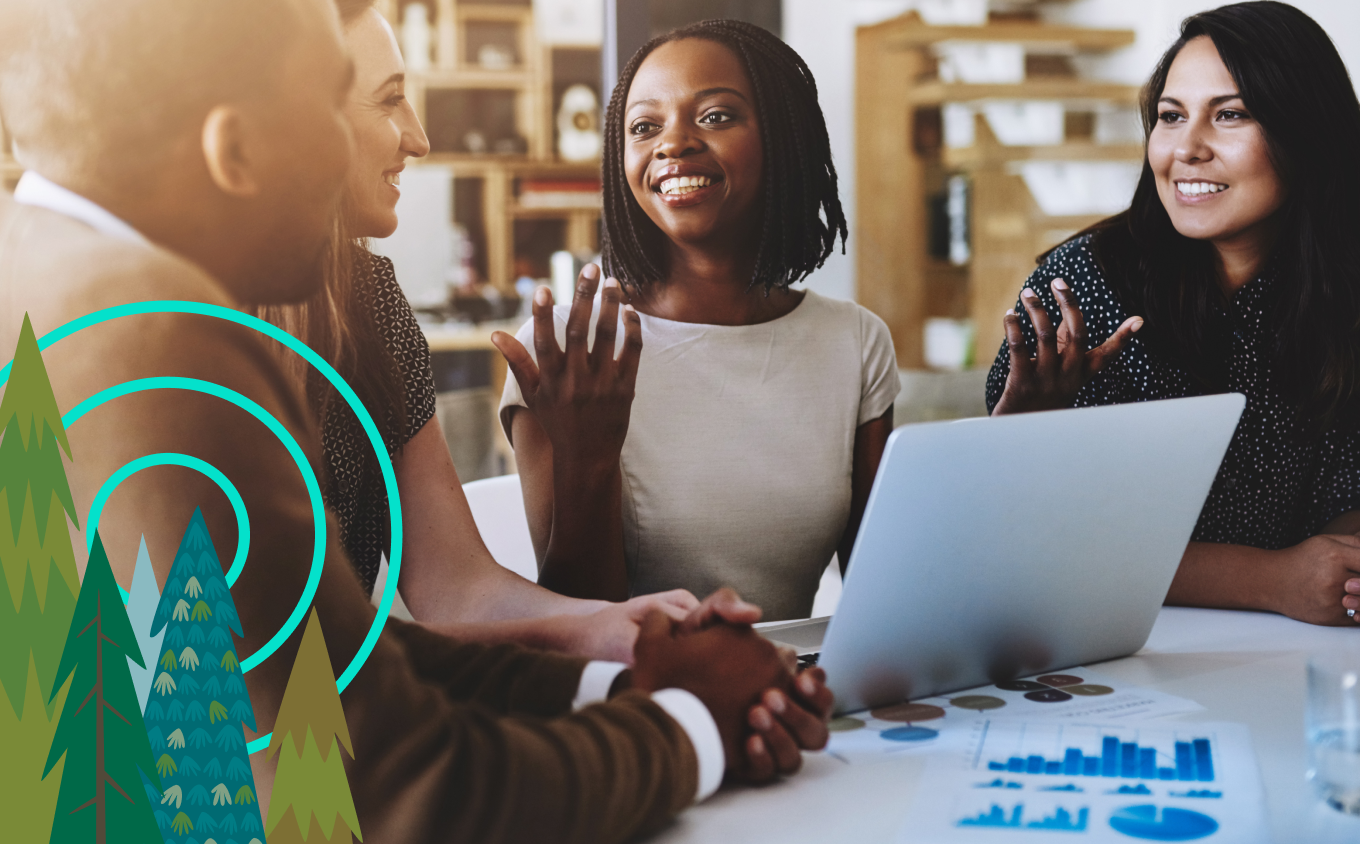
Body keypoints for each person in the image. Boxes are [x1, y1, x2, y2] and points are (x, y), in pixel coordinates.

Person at [0, 0, 831, 840]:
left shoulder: (49, 278)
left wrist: (608, 682)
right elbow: (392, 792)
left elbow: (327, 652)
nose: (419, 140)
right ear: (236, 151)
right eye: (337, 99)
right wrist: (691, 729)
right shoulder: (156, 342)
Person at [258, 0, 703, 664]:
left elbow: (457, 587)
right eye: (390, 102)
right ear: (301, 120)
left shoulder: (372, 302)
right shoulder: (166, 320)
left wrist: (612, 623)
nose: (419, 138)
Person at [984, 1, 1360, 628]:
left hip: (1285, 654)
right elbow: (1039, 537)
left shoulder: (1355, 295)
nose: (1186, 148)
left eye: (1231, 115)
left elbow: (1359, 491)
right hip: (1102, 647)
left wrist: (1350, 568)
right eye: (1170, 116)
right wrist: (1275, 580)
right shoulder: (1082, 288)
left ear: (1309, 134)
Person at [495, 20, 900, 620]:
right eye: (644, 127)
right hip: (634, 703)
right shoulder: (566, 350)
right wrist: (590, 454)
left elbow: (885, 600)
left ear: (781, 137)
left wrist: (1017, 430)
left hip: (791, 694)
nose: (672, 143)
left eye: (715, 116)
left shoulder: (855, 343)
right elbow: (577, 626)